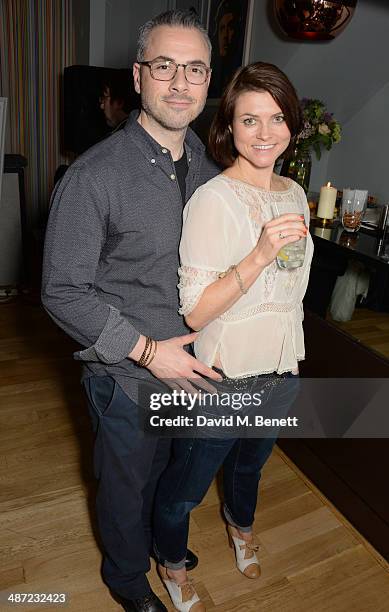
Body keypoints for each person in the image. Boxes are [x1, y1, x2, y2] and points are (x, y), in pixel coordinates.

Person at [41, 10, 222, 612]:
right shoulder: (93, 177)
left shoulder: (203, 163)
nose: (179, 83)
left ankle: (153, 537)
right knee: (125, 483)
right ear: (139, 76)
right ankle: (124, 576)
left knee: (169, 468)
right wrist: (148, 352)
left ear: (207, 79)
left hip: (191, 364)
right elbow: (62, 290)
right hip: (127, 373)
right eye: (164, 66)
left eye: (193, 69)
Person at [153, 62, 314, 611]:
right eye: (250, 119)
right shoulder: (212, 199)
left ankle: (240, 526)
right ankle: (172, 560)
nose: (265, 132)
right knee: (187, 485)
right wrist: (261, 252)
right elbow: (195, 314)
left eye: (276, 118)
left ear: (291, 125)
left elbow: (289, 292)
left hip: (281, 371)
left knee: (250, 467)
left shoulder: (295, 193)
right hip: (227, 379)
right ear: (229, 126)